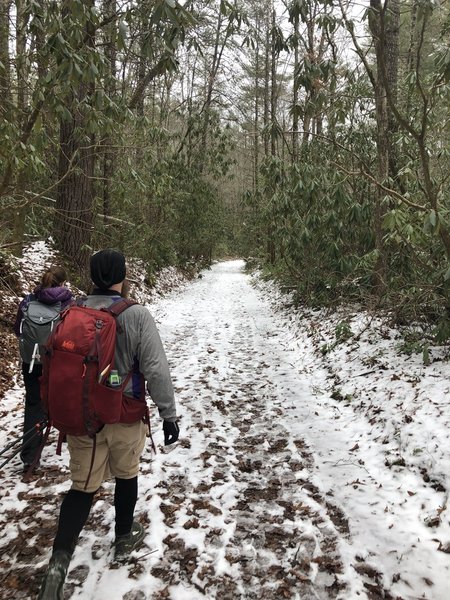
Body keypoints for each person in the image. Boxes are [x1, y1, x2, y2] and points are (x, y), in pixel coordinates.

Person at [38, 249, 179, 600]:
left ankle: (58, 564)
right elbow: (156, 369)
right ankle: (123, 539)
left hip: (84, 418)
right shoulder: (136, 315)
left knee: (82, 487)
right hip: (124, 414)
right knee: (127, 475)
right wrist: (168, 414)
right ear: (122, 275)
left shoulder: (71, 313)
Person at [14, 266, 73, 472]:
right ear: (63, 283)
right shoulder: (67, 302)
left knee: (33, 403)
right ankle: (66, 434)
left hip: (31, 360)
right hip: (56, 360)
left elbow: (17, 329)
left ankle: (30, 456)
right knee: (63, 397)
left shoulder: (29, 301)